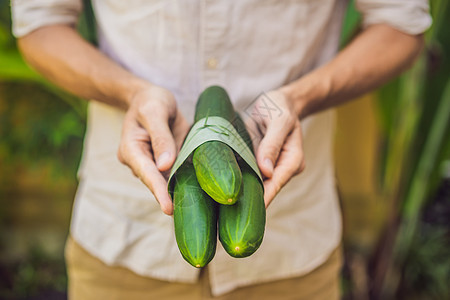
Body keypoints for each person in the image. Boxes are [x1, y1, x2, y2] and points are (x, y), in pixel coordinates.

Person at [11, 0, 431, 299]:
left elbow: (400, 23)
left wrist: (300, 98)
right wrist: (130, 92)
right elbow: (40, 24)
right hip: (123, 234)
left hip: (292, 245)